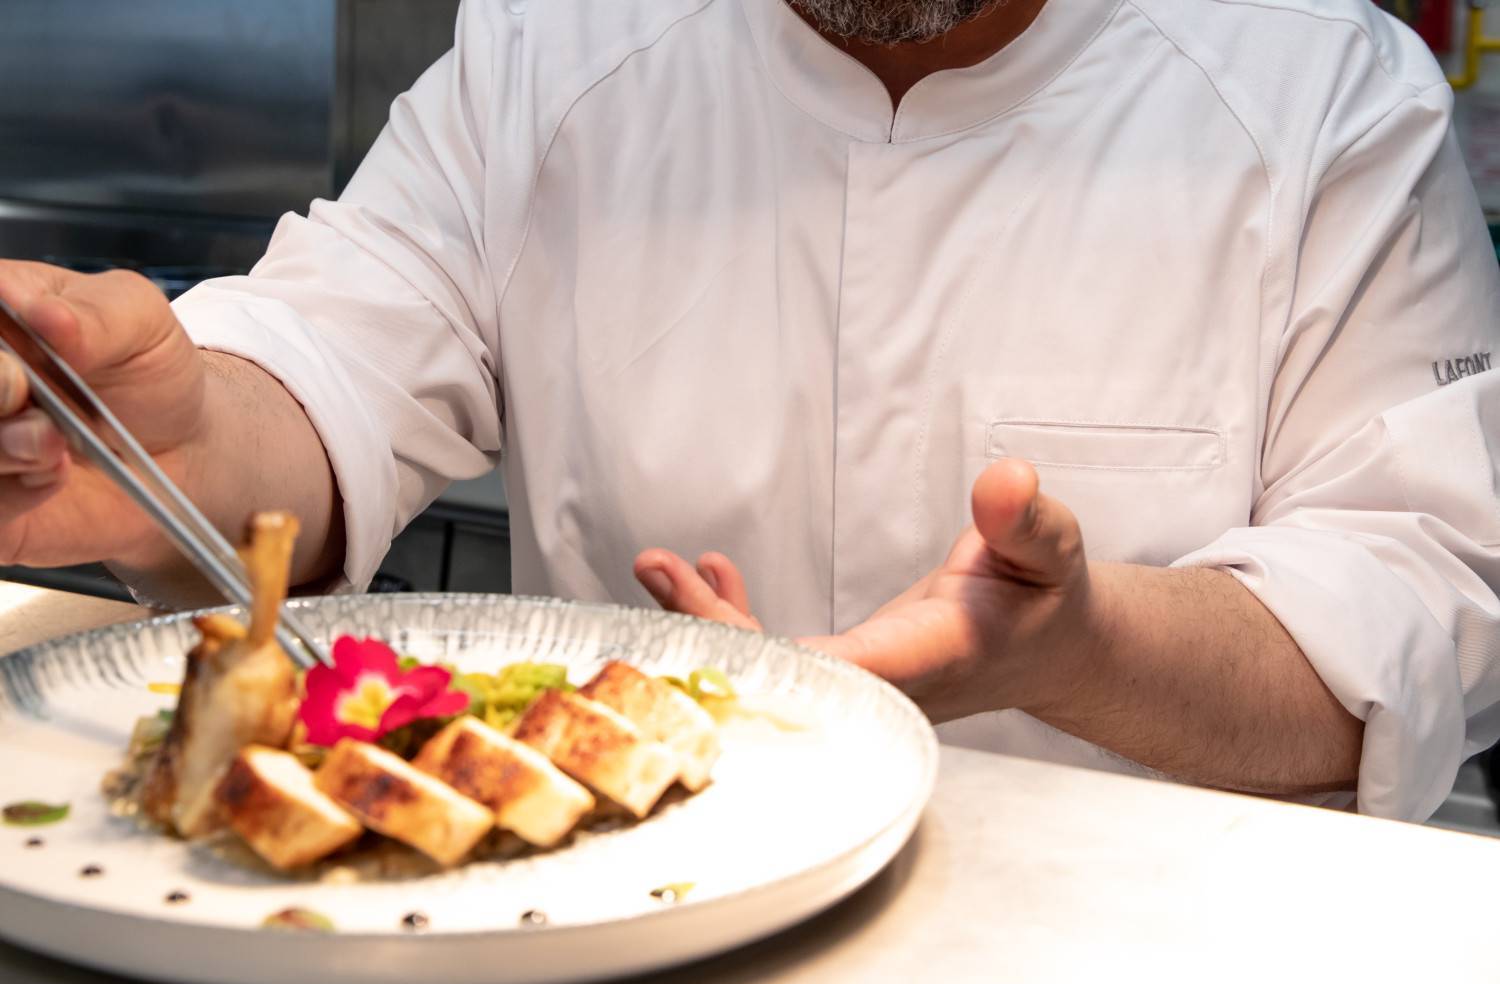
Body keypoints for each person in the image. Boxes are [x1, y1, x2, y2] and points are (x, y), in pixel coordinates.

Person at [1, 0, 1497, 822]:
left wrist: (1078, 645)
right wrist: (179, 446)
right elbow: (334, 357)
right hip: (597, 954)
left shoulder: (1322, 93)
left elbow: (1415, 606)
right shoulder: (558, 47)